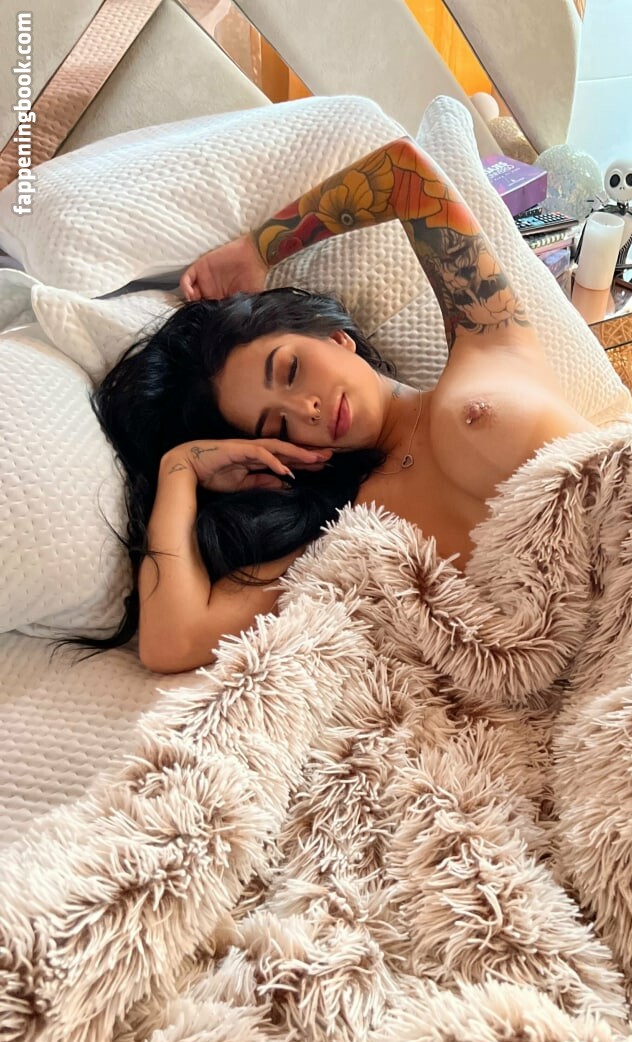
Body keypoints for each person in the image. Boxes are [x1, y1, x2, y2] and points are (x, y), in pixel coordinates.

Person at [88, 137, 595, 674]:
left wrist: (258, 250)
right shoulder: (349, 529)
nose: (305, 408)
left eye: (290, 370)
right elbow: (172, 642)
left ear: (335, 336)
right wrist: (179, 469)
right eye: (277, 424)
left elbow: (403, 174)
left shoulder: (487, 337)